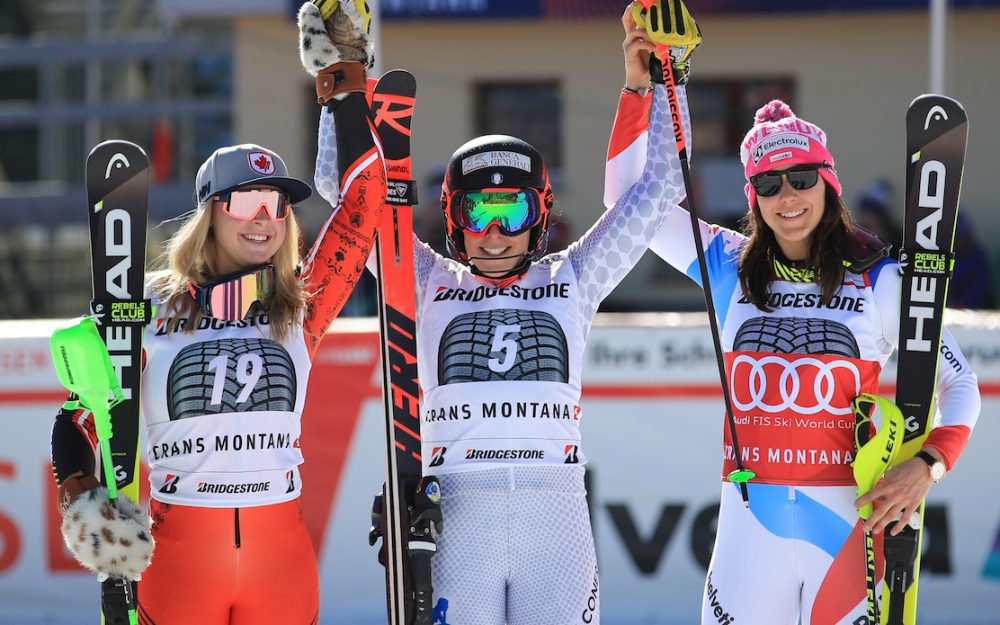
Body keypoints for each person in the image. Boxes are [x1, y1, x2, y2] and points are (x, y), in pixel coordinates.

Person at [305, 2, 695, 623]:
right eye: (477, 213)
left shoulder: (575, 274)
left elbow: (662, 189)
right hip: (457, 508)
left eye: (510, 214)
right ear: (453, 217)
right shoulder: (421, 275)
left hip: (556, 514)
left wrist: (663, 78)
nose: (492, 234)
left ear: (538, 215)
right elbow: (342, 189)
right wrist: (342, 75)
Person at [49, 3, 386, 624]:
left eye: (277, 204)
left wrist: (344, 80)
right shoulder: (141, 306)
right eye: (246, 201)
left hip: (279, 557)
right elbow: (77, 421)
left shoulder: (298, 308)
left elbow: (365, 211)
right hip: (179, 558)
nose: (264, 216)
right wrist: (83, 502)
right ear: (210, 214)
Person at [604, 75, 982, 623]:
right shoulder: (726, 265)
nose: (788, 196)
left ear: (829, 183)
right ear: (752, 195)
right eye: (769, 183)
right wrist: (638, 88)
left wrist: (928, 465)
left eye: (802, 177)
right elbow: (624, 203)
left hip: (849, 525)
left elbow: (960, 383)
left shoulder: (878, 280)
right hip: (748, 531)